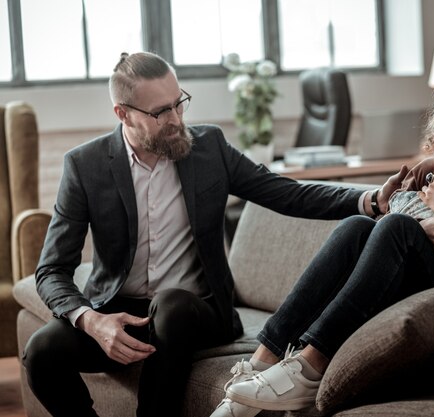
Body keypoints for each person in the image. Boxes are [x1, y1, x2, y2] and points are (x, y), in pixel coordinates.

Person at [22, 51, 404, 417]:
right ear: (123, 114)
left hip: (196, 311)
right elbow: (51, 269)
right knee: (41, 351)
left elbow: (286, 192)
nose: (176, 118)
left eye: (179, 102)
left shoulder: (208, 148)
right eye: (160, 112)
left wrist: (369, 199)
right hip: (120, 311)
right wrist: (91, 320)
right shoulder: (85, 166)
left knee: (171, 304)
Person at [211, 71, 434, 417]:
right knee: (358, 225)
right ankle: (261, 363)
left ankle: (310, 367)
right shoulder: (431, 171)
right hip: (404, 294)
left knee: (399, 227)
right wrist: (422, 227)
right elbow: (375, 245)